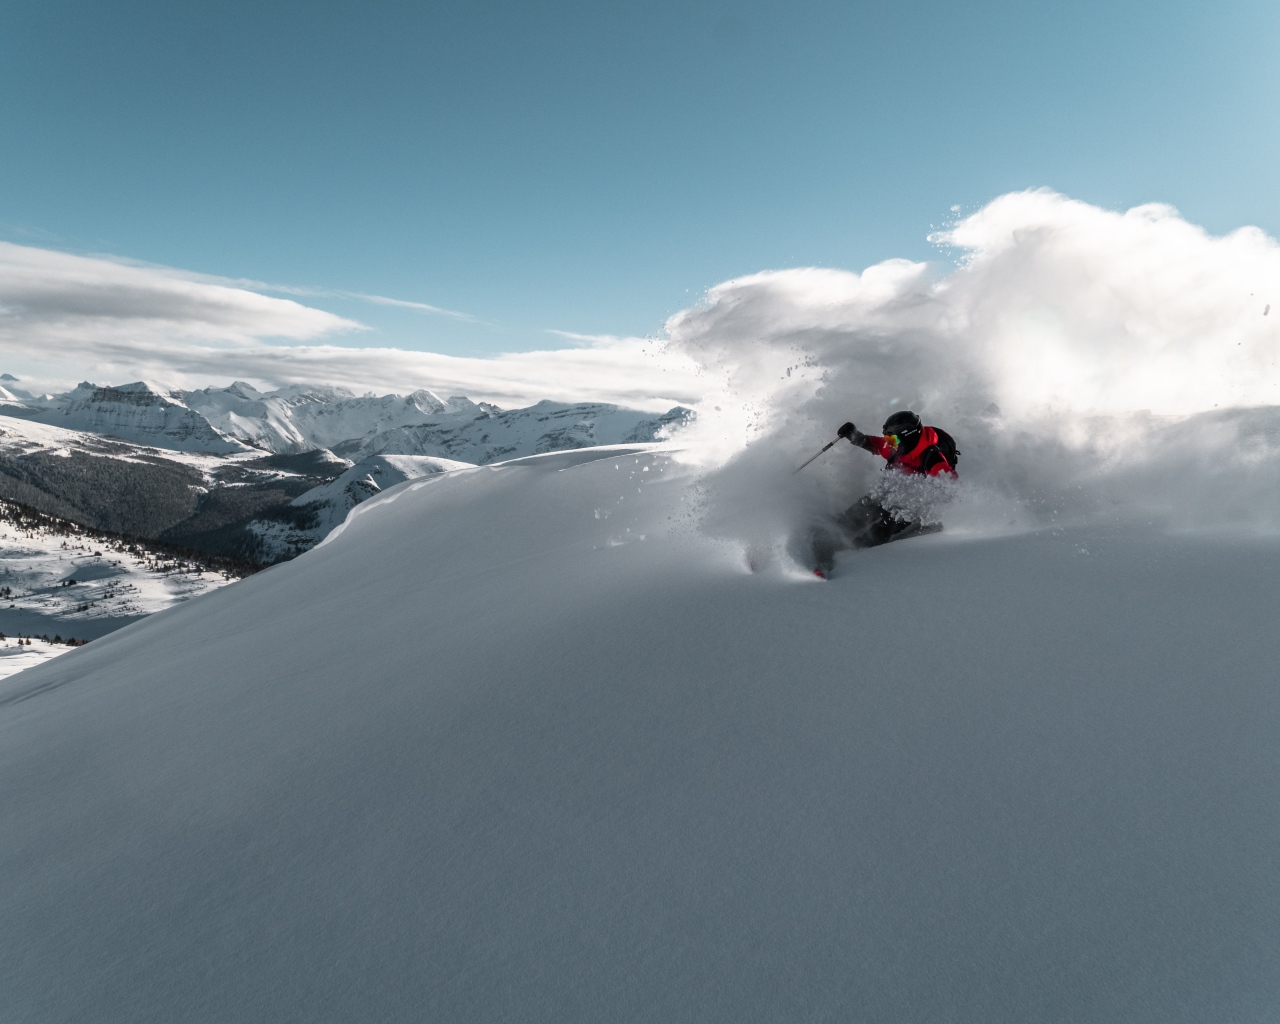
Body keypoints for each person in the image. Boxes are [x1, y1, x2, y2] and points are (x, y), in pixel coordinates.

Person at [811, 411, 958, 572]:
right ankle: (834, 531)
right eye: (887, 438)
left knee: (883, 528)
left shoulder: (933, 459)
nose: (888, 443)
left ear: (908, 436)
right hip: (894, 487)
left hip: (916, 502)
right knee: (868, 505)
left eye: (892, 439)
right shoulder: (898, 447)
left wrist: (933, 511)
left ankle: (848, 551)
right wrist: (853, 435)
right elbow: (874, 444)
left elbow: (951, 487)